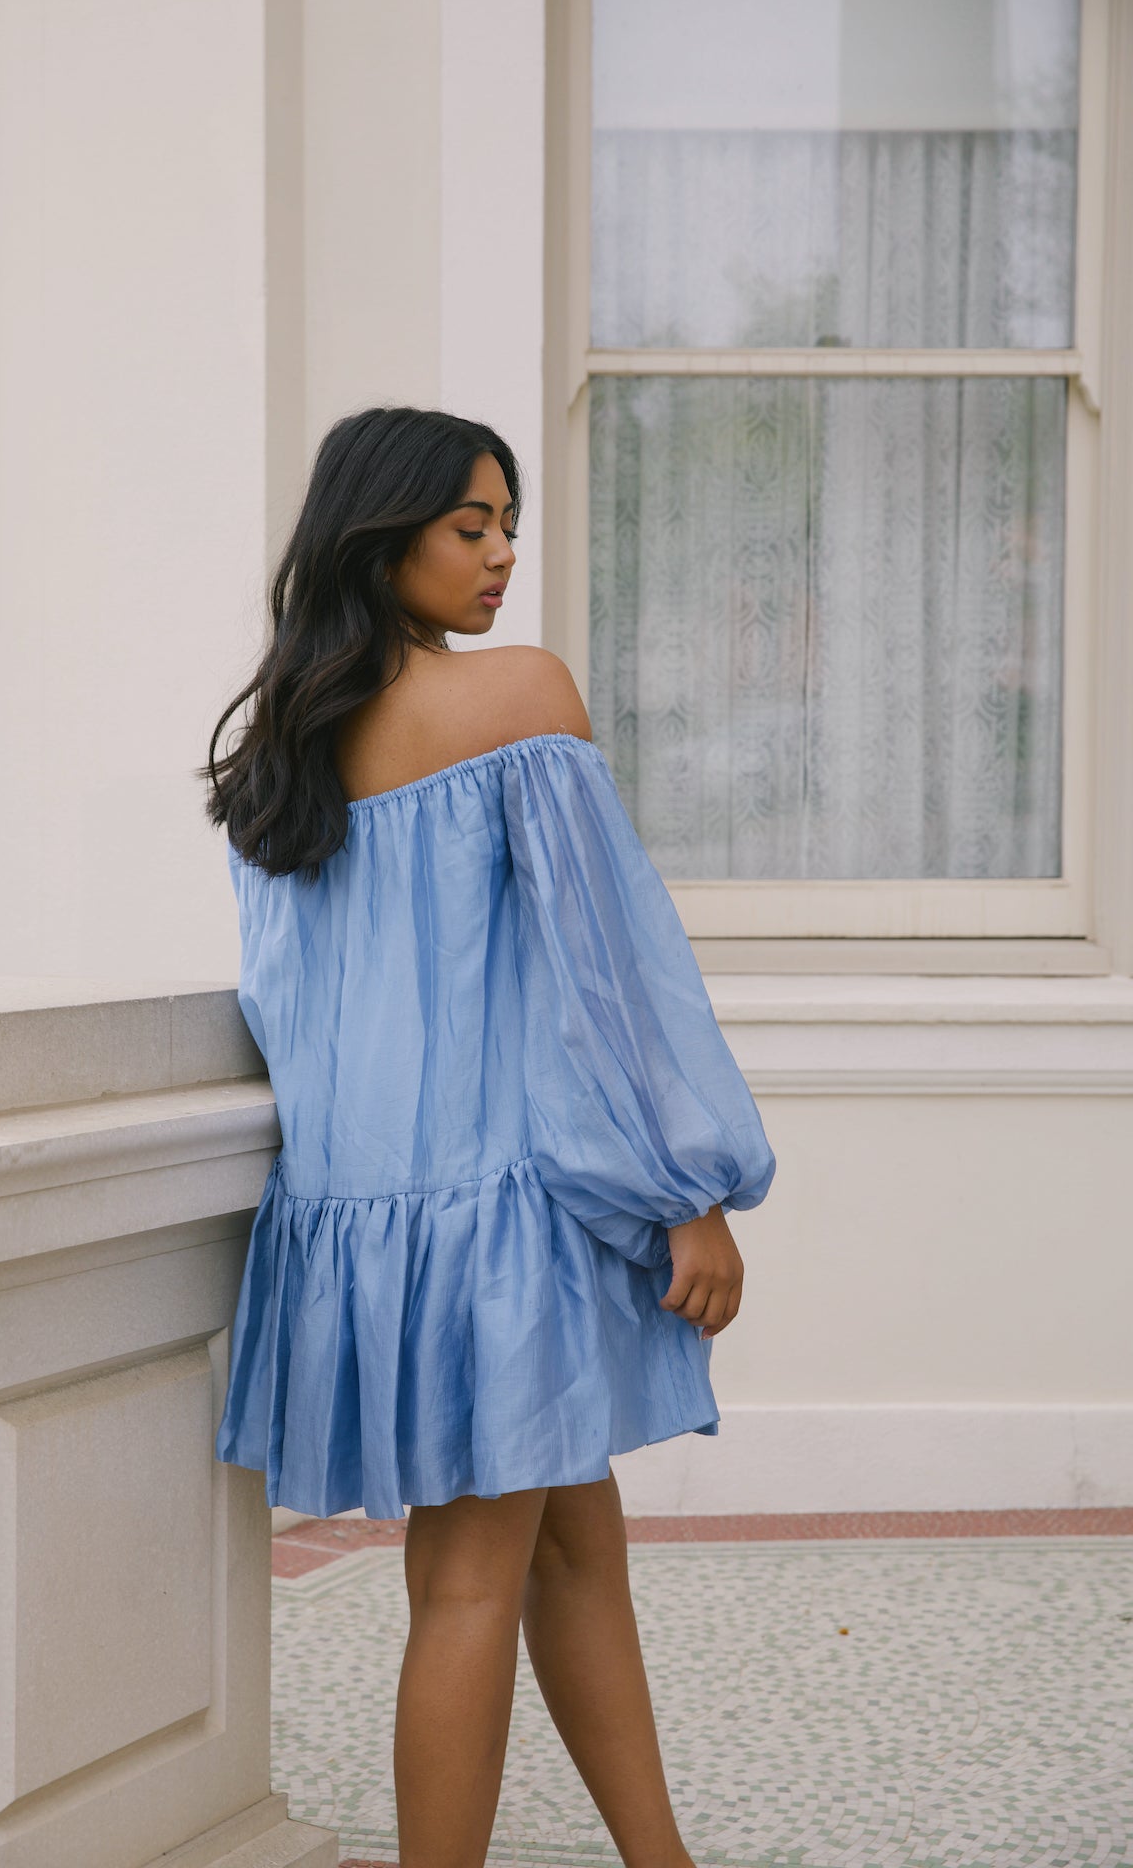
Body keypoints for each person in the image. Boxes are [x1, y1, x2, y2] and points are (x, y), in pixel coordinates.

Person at [200, 404, 776, 1868]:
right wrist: (687, 1193)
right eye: (473, 526)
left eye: (508, 525)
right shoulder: (518, 702)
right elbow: (613, 982)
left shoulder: (286, 749)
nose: (504, 556)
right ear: (378, 531)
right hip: (502, 1226)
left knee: (574, 1553)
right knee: (469, 1588)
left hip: (369, 1225)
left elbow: (290, 1009)